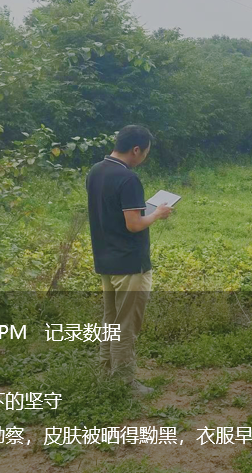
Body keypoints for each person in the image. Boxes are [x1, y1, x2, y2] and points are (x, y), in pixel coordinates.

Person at [86, 125, 172, 394]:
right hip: (130, 263)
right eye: (145, 152)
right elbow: (134, 224)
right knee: (126, 324)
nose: (144, 156)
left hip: (105, 259)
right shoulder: (129, 179)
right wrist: (157, 214)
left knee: (110, 320)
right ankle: (124, 381)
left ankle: (105, 371)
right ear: (136, 149)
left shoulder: (96, 171)